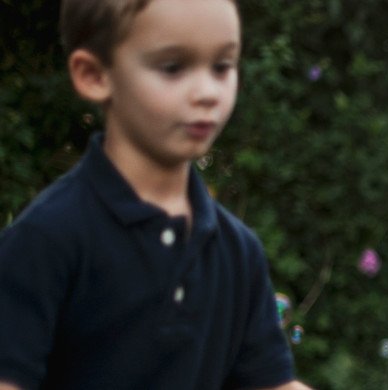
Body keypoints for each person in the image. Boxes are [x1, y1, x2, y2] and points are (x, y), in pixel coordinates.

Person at [0, 0, 309, 389]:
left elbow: (270, 384)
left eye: (222, 66)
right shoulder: (47, 238)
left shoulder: (238, 251)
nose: (208, 92)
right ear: (94, 75)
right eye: (173, 67)